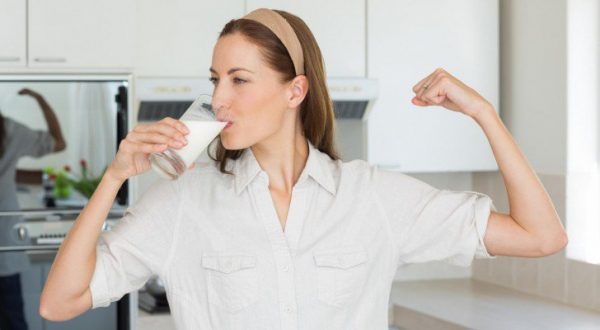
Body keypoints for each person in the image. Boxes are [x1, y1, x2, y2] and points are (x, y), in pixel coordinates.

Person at [39, 8, 567, 329]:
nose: (218, 98)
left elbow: (540, 236)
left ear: (295, 90)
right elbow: (59, 304)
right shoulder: (182, 203)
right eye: (214, 79)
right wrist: (113, 178)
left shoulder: (373, 198)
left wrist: (484, 113)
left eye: (239, 80)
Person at [0, 88, 66, 330]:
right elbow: (59, 143)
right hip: (4, 245)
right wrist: (41, 98)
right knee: (13, 321)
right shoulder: (9, 130)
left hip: (5, 244)